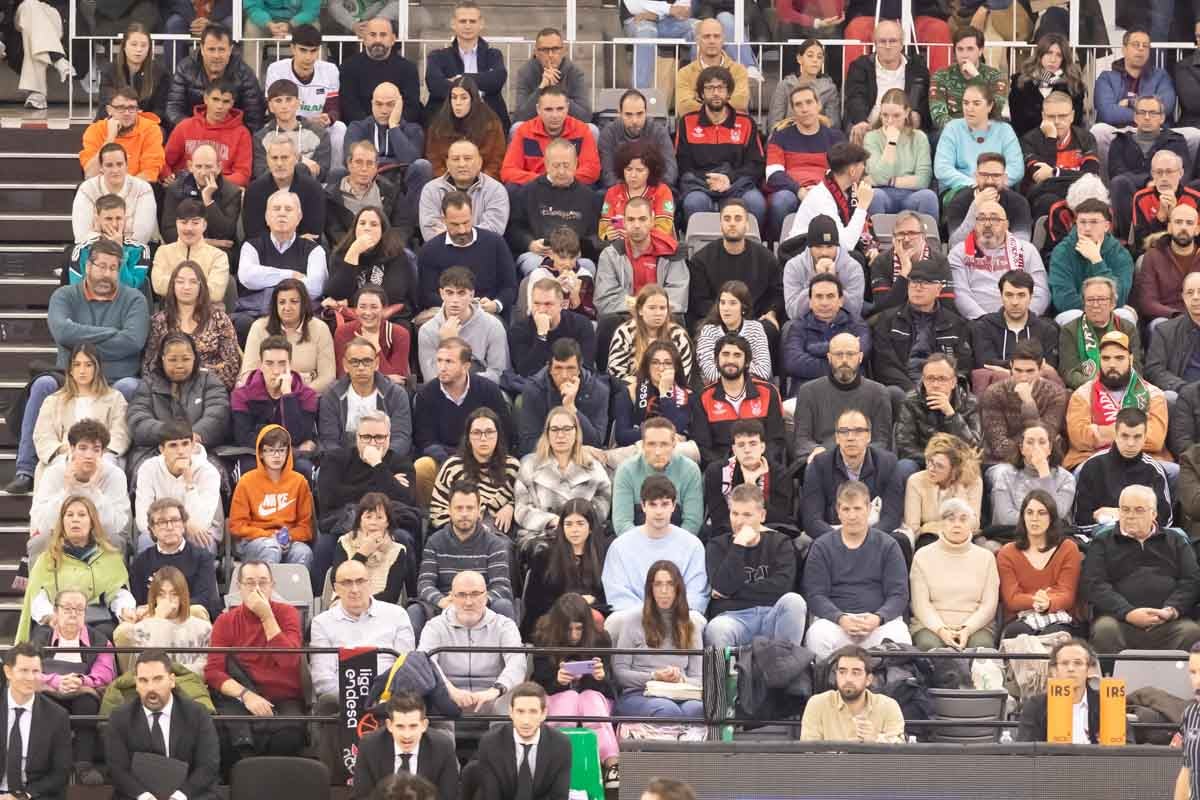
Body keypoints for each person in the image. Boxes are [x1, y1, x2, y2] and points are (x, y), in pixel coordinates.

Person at [6, 241, 148, 495]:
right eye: (101, 266)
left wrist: (80, 341)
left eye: (113, 268)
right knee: (42, 384)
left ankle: (126, 470)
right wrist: (112, 334)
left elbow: (133, 341)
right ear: (87, 266)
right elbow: (62, 332)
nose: (106, 273)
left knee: (131, 387)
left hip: (115, 379)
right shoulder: (65, 296)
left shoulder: (134, 299)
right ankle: (25, 470)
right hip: (70, 376)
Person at [310, 558, 413, 779]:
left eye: (360, 581)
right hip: (342, 696)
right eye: (346, 583)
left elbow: (405, 666)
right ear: (336, 588)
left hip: (389, 694)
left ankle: (400, 779)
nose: (354, 589)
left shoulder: (396, 615)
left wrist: (382, 697)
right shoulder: (322, 622)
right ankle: (335, 782)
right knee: (326, 703)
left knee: (412, 701)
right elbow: (321, 678)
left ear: (370, 583)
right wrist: (354, 699)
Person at [205, 560, 306, 764]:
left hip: (283, 698)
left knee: (290, 735)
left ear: (272, 586)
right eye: (250, 583)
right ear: (239, 587)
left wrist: (266, 616)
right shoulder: (225, 621)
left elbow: (289, 661)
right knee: (222, 734)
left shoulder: (288, 614)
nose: (257, 589)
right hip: (240, 696)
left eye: (263, 582)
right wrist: (247, 696)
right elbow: (214, 672)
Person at [1083, 484, 1200, 653]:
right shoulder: (1103, 542)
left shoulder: (1175, 540)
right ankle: (1113, 680)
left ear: (1154, 514)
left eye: (1138, 510)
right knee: (1104, 630)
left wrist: (1171, 610)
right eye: (1125, 509)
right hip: (1120, 623)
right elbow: (1094, 584)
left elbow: (1191, 580)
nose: (1130, 516)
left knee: (1191, 632)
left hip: (1169, 624)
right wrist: (1128, 613)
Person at [104, 649, 220, 800]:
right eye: (143, 680)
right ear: (136, 684)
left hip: (189, 794)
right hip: (137, 796)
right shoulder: (120, 717)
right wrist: (145, 797)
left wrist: (179, 796)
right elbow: (117, 769)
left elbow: (208, 765)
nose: (150, 688)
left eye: (158, 679)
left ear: (172, 680)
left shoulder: (197, 714)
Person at [18, 495, 134, 643]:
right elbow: (37, 597)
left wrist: (125, 610)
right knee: (42, 637)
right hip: (57, 617)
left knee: (104, 634)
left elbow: (119, 593)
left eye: (82, 515)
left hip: (96, 619)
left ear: (92, 522)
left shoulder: (109, 556)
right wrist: (49, 617)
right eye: (69, 515)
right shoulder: (48, 558)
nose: (75, 519)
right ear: (63, 522)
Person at [703, 484, 806, 649]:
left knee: (794, 601)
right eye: (734, 513)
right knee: (716, 629)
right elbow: (721, 585)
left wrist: (733, 592)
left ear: (762, 515)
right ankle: (725, 675)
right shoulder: (717, 545)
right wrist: (739, 545)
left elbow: (782, 587)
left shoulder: (780, 543)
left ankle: (781, 671)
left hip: (771, 615)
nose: (739, 521)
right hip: (733, 618)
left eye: (747, 515)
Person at [28, 587, 115, 783]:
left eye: (79, 609)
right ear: (56, 612)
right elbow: (30, 671)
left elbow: (105, 673)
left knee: (86, 701)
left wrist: (81, 680)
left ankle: (84, 766)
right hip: (48, 691)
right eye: (67, 608)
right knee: (41, 703)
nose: (73, 614)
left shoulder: (100, 640)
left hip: (81, 691)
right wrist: (57, 681)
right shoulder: (40, 638)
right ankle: (44, 765)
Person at [530, 594, 618, 785]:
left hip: (594, 698)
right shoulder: (544, 637)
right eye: (568, 629)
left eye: (579, 629)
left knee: (590, 698)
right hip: (557, 698)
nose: (574, 635)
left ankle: (612, 763)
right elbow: (538, 681)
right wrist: (557, 681)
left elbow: (611, 688)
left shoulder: (600, 638)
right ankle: (554, 759)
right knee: (569, 697)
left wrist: (600, 678)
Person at [417, 570, 526, 719]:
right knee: (432, 702)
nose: (468, 602)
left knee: (513, 701)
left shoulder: (505, 625)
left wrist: (494, 691)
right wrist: (450, 691)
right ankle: (442, 741)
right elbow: (425, 662)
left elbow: (517, 663)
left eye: (475, 594)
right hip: (447, 695)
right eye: (461, 595)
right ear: (451, 597)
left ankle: (500, 741)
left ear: (486, 595)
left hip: (494, 695)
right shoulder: (434, 626)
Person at [127, 331, 230, 477]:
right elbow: (138, 419)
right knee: (142, 473)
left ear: (195, 358)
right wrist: (170, 437)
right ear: (162, 359)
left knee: (215, 473)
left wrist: (192, 438)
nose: (180, 365)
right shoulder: (148, 384)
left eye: (186, 359)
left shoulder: (209, 381)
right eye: (173, 360)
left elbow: (218, 415)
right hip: (155, 450)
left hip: (200, 447)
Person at [601, 475, 709, 614]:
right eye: (653, 504)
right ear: (643, 506)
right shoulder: (620, 546)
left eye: (664, 504)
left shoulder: (692, 545)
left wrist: (670, 614)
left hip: (680, 617)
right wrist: (649, 615)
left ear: (673, 506)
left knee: (696, 621)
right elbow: (617, 594)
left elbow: (696, 593)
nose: (659, 512)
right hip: (635, 618)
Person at [1063, 330, 1169, 471]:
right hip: (1095, 460)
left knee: (1175, 473)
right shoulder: (1082, 395)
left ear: (1131, 359)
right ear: (1099, 359)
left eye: (1119, 358)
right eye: (1106, 358)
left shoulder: (1153, 395)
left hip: (1144, 460)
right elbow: (1080, 438)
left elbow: (1155, 440)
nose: (1112, 364)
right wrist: (1134, 434)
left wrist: (1099, 431)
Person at [415, 480, 515, 628]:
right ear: (449, 510)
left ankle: (508, 651)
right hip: (445, 604)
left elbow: (502, 587)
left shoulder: (495, 544)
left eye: (470, 508)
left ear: (479, 511)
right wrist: (442, 601)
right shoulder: (434, 542)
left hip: (483, 606)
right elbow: (424, 584)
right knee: (415, 611)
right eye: (459, 508)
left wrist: (474, 602)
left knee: (504, 606)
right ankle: (416, 652)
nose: (464, 514)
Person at [612, 561, 705, 720]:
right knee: (666, 710)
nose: (664, 591)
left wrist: (681, 679)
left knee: (697, 709)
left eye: (670, 584)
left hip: (680, 692)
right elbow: (619, 674)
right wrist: (654, 676)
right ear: (650, 589)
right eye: (658, 584)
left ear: (678, 588)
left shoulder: (690, 624)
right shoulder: (632, 620)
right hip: (639, 693)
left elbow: (698, 678)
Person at [24, 343, 127, 486]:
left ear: (97, 369)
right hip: (65, 454)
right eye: (77, 365)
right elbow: (43, 435)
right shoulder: (54, 400)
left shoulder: (115, 398)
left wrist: (98, 451)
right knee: (57, 469)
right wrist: (65, 450)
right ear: (70, 370)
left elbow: (121, 433)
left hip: (102, 454)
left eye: (88, 365)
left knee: (109, 468)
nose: (82, 370)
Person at [675, 66, 765, 226]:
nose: (715, 93)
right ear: (701, 94)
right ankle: (699, 250)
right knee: (694, 203)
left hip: (737, 184)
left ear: (729, 93)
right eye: (709, 88)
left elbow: (756, 165)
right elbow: (682, 164)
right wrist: (709, 180)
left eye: (721, 88)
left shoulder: (746, 123)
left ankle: (751, 249)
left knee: (756, 203)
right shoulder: (687, 122)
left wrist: (729, 178)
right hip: (699, 184)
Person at [27, 420, 131, 557]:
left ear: (103, 452)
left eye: (96, 449)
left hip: (100, 534)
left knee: (116, 541)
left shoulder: (115, 475)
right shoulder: (53, 473)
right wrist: (67, 490)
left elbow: (116, 526)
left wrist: (94, 490)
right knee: (38, 542)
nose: (89, 455)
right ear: (71, 449)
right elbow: (42, 523)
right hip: (61, 533)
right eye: (83, 448)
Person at [870, 258, 972, 394]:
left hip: (943, 388)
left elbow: (963, 366)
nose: (918, 287)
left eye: (925, 282)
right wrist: (915, 391)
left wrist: (940, 386)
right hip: (903, 389)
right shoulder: (888, 320)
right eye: (913, 281)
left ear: (939, 289)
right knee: (894, 393)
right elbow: (885, 366)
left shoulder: (955, 323)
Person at [513, 407, 611, 549]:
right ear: (547, 433)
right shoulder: (529, 464)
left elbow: (603, 501)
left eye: (566, 429)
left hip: (584, 533)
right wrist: (552, 521)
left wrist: (577, 523)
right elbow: (522, 509)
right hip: (542, 534)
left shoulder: (593, 466)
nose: (560, 435)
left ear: (576, 432)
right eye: (555, 429)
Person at [909, 498, 1000, 650]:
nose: (957, 524)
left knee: (981, 648)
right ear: (941, 524)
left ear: (972, 524)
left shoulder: (986, 557)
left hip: (976, 626)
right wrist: (942, 630)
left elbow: (989, 604)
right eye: (950, 519)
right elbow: (921, 604)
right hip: (931, 626)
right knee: (929, 647)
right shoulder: (923, 556)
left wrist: (967, 629)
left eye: (963, 519)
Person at [791, 333, 893, 463]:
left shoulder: (878, 392)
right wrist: (818, 451)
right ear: (829, 357)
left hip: (865, 463)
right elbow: (801, 441)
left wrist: (854, 455)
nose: (844, 360)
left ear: (860, 357)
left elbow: (882, 443)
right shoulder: (808, 391)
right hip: (822, 463)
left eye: (850, 354)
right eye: (839, 354)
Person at [688, 202, 784, 337]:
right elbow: (699, 301)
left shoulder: (766, 258)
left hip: (754, 321)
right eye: (727, 219)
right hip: (716, 319)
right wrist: (730, 318)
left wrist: (772, 312)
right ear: (720, 224)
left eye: (738, 219)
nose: (732, 223)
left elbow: (777, 293)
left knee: (770, 329)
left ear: (747, 224)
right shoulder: (701, 260)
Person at [764, 86, 846, 241]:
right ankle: (778, 248)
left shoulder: (836, 138)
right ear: (793, 110)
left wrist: (820, 190)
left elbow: (844, 173)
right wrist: (799, 190)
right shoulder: (780, 137)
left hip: (825, 190)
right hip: (792, 191)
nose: (804, 109)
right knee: (781, 201)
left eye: (809, 102)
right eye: (798, 105)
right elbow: (773, 175)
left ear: (819, 105)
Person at [509, 141, 602, 277]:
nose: (561, 171)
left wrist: (580, 250)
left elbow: (595, 234)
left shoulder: (589, 197)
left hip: (574, 258)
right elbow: (514, 229)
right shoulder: (528, 192)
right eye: (556, 166)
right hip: (539, 255)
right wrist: (530, 243)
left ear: (576, 164)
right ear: (546, 164)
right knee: (534, 266)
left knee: (588, 267)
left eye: (566, 165)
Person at [996, 491, 1082, 638]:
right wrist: (1040, 600)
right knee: (1017, 634)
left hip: (1059, 616)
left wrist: (1048, 604)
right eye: (1029, 512)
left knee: (1054, 634)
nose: (1034, 518)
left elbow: (1067, 595)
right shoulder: (1007, 553)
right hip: (1019, 618)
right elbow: (1011, 599)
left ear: (1051, 518)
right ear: (1023, 517)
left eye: (1041, 513)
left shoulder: (1068, 548)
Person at [691, 333, 786, 466]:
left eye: (737, 355)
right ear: (716, 360)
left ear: (747, 362)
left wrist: (755, 462)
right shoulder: (703, 397)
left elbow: (776, 440)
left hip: (762, 464)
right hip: (721, 468)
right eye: (725, 354)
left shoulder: (768, 392)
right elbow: (704, 447)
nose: (730, 360)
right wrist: (730, 466)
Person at [1074, 407, 1173, 533]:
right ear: (1115, 435)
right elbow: (1081, 523)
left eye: (1137, 437)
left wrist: (1119, 514)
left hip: (1144, 541)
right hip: (1105, 539)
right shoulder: (1092, 466)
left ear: (1144, 438)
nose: (1130, 443)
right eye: (1125, 436)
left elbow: (1166, 521)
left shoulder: (1154, 470)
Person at [417, 193, 517, 317]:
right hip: (446, 314)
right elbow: (427, 294)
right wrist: (460, 307)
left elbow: (510, 287)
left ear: (472, 216)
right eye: (455, 224)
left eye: (466, 222)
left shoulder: (495, 243)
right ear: (443, 220)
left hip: (488, 314)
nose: (462, 230)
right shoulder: (430, 250)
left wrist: (496, 304)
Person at [228, 425, 315, 567]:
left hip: (289, 540)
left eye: (281, 450)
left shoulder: (299, 482)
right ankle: (266, 588)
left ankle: (293, 590)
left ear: (288, 452)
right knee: (271, 548)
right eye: (271, 450)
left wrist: (288, 537)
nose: (276, 455)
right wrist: (269, 536)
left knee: (303, 553)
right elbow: (236, 526)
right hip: (254, 542)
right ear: (261, 453)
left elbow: (306, 528)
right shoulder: (246, 481)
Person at [133, 420, 224, 557]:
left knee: (202, 543)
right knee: (146, 541)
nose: (180, 451)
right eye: (173, 446)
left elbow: (201, 523)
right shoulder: (148, 469)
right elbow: (142, 519)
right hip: (161, 530)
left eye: (185, 444)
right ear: (162, 450)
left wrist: (189, 483)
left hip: (200, 532)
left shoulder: (209, 472)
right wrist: (172, 528)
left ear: (193, 445)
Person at [143, 261, 239, 388]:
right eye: (180, 281)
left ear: (201, 286)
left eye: (193, 282)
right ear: (173, 285)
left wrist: (194, 375)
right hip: (168, 389)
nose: (186, 287)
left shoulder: (219, 319)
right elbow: (149, 365)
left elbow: (231, 365)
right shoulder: (159, 321)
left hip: (209, 389)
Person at [949, 201, 1048, 321]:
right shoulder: (959, 253)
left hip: (1023, 320)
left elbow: (1041, 292)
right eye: (981, 219)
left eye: (994, 219)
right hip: (978, 323)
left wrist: (1023, 318)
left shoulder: (1027, 250)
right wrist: (986, 321)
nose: (987, 224)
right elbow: (960, 294)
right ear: (974, 224)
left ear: (1006, 225)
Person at [1108, 97, 1191, 240]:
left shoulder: (1176, 140)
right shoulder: (1120, 141)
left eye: (1153, 113)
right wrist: (1148, 181)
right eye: (1142, 112)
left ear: (1162, 118)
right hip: (1132, 194)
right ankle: (1124, 241)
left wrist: (1160, 183)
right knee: (1118, 183)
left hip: (1169, 193)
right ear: (1135, 117)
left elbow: (1185, 173)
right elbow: (1116, 171)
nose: (1147, 117)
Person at [129, 494, 222, 621]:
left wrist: (167, 608)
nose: (169, 527)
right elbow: (139, 601)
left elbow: (205, 599)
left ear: (184, 525)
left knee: (197, 611)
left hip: (190, 619)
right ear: (152, 529)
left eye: (174, 520)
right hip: (154, 621)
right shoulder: (141, 561)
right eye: (162, 522)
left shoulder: (202, 557)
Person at [1091, 27, 1176, 165]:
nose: (1141, 49)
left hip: (1155, 132)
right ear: (1124, 49)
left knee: (1194, 134)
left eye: (1145, 46)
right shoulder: (1106, 77)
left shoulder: (1161, 76)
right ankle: (1106, 184)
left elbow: (1166, 106)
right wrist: (1149, 112)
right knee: (1098, 130)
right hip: (1118, 132)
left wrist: (1129, 103)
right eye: (1136, 45)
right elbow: (1107, 113)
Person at [522, 501, 608, 637]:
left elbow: (607, 600)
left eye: (580, 523)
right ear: (561, 527)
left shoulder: (604, 556)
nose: (574, 530)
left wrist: (589, 605)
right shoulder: (545, 556)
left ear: (590, 527)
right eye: (568, 524)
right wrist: (574, 604)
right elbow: (534, 603)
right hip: (553, 621)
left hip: (593, 621)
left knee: (595, 619)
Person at [593, 196, 688, 319]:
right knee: (607, 321)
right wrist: (640, 307)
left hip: (661, 317)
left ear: (652, 220)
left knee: (677, 319)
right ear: (624, 222)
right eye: (631, 220)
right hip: (625, 315)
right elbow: (604, 299)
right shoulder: (610, 255)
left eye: (642, 219)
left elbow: (677, 298)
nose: (637, 225)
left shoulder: (671, 252)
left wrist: (652, 309)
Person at [232, 332, 320, 464]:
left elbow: (297, 437)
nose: (276, 371)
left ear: (290, 365)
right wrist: (285, 445)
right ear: (261, 365)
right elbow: (243, 438)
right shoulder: (241, 395)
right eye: (269, 363)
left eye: (282, 363)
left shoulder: (307, 395)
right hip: (256, 454)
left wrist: (287, 396)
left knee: (303, 466)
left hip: (292, 459)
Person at [116, 561, 213, 678]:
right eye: (161, 594)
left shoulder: (203, 628)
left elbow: (206, 669)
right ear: (154, 597)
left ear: (183, 596)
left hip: (191, 687)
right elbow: (146, 668)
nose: (168, 600)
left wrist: (170, 673)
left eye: (174, 594)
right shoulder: (141, 630)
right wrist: (158, 621)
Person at [351, 693, 458, 800]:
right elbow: (362, 796)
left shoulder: (443, 747)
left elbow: (448, 797)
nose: (407, 735)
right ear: (389, 725)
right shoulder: (369, 746)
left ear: (424, 725)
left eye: (413, 726)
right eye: (400, 726)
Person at [427, 408, 519, 532]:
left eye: (489, 432)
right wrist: (469, 525)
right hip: (457, 532)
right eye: (476, 433)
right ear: (468, 437)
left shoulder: (512, 467)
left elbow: (525, 502)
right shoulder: (453, 466)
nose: (483, 438)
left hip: (497, 534)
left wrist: (511, 507)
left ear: (498, 435)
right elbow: (437, 512)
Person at [476, 682, 572, 800]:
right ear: (511, 712)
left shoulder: (561, 744)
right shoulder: (491, 743)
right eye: (520, 712)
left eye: (533, 712)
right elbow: (491, 796)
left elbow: (559, 796)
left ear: (543, 714)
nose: (526, 721)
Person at [0, 643, 72, 800]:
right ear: (8, 672)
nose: (30, 678)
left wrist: (24, 795)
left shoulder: (57, 716)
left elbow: (61, 771)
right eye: (24, 670)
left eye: (36, 671)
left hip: (33, 794)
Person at [317, 336, 412, 454]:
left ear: (376, 363)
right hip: (344, 462)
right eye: (354, 362)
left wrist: (379, 461)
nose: (361, 368)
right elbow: (329, 441)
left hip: (385, 461)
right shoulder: (331, 395)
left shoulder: (396, 394)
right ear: (345, 365)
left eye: (367, 361)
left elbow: (401, 438)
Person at [262, 25, 344, 160]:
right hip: (286, 125)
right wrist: (304, 122)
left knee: (339, 128)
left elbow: (333, 107)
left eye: (313, 51)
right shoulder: (276, 69)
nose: (308, 57)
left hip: (318, 126)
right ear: (292, 48)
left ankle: (333, 177)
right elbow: (273, 110)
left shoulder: (330, 70)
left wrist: (329, 118)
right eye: (303, 50)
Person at [978, 340, 1068, 464]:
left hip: (1043, 460)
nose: (1023, 377)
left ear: (1041, 368)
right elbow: (998, 446)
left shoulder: (1055, 394)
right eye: (1018, 370)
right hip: (1001, 463)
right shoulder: (994, 393)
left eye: (1030, 371)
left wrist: (1028, 403)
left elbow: (1045, 439)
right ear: (1011, 365)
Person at [969, 270, 1061, 391]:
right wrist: (1029, 368)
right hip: (997, 395)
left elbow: (1048, 368)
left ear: (1031, 296)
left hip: (1038, 395)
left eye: (1021, 295)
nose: (1015, 302)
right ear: (1001, 295)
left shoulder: (1047, 330)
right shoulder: (984, 326)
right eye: (1009, 295)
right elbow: (985, 363)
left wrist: (1006, 370)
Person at [517, 338, 610, 457]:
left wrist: (571, 408)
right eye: (558, 368)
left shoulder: (598, 390)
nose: (564, 375)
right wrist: (567, 451)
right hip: (544, 456)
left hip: (584, 458)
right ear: (549, 368)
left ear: (579, 368)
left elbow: (596, 442)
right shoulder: (534, 389)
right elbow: (528, 444)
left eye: (570, 368)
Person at [240, 279, 336, 394]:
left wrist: (299, 396)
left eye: (294, 301)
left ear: (304, 303)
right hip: (266, 396)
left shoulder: (320, 328)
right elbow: (248, 374)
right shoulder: (259, 327)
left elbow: (327, 377)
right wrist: (274, 396)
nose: (287, 307)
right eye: (282, 302)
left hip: (307, 396)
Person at [612, 417, 704, 536]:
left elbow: (692, 522)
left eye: (664, 444)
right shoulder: (626, 470)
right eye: (651, 444)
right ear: (642, 445)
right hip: (636, 540)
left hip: (678, 540)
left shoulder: (690, 470)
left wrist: (669, 547)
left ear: (674, 444)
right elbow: (622, 522)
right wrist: (645, 547)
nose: (658, 452)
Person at [933, 84, 1023, 204]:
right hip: (960, 188)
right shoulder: (952, 128)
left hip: (997, 188)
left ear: (989, 106)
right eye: (966, 103)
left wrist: (993, 184)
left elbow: (1016, 168)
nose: (969, 108)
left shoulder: (1004, 130)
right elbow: (942, 169)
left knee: (1016, 202)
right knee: (969, 199)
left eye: (976, 103)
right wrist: (976, 184)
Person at [325, 218, 419, 333]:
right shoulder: (341, 254)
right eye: (362, 223)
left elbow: (394, 295)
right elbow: (337, 294)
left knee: (402, 329)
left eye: (374, 224)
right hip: (350, 316)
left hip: (391, 316)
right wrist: (353, 253)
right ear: (355, 229)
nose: (367, 228)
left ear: (383, 230)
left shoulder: (398, 255)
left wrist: (350, 302)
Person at [424, 2, 509, 127]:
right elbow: (434, 84)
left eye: (472, 21)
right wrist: (481, 80)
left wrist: (460, 78)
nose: (468, 26)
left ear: (481, 24)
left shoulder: (493, 55)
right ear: (453, 23)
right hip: (447, 120)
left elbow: (497, 79)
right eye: (463, 21)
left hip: (487, 120)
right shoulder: (438, 56)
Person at [844, 20, 932, 141]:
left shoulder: (918, 68)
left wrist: (918, 115)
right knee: (856, 132)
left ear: (902, 44)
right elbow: (855, 97)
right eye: (882, 41)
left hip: (905, 128)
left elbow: (924, 102)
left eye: (893, 41)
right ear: (874, 44)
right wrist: (861, 120)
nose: (888, 46)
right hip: (869, 127)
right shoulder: (860, 66)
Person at [164, 24, 264, 130]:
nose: (216, 56)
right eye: (211, 49)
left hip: (230, 134)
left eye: (221, 49)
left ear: (230, 50)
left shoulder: (244, 73)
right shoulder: (185, 68)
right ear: (202, 49)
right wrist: (194, 129)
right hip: (193, 132)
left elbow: (254, 118)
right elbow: (173, 109)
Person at [702, 419, 791, 537]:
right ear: (734, 449)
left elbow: (780, 517)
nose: (747, 450)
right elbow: (719, 518)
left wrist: (751, 486)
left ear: (762, 447)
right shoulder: (717, 472)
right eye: (741, 445)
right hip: (728, 534)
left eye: (753, 443)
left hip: (768, 535)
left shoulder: (779, 473)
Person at [782, 273, 871, 391]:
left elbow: (863, 351)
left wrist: (813, 349)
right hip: (807, 392)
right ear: (810, 301)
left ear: (841, 300)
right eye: (819, 296)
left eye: (830, 296)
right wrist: (842, 361)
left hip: (849, 391)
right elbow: (793, 363)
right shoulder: (798, 326)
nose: (824, 303)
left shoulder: (856, 324)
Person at [1019, 91, 1100, 220]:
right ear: (1043, 116)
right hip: (1043, 196)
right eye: (1051, 117)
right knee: (1049, 200)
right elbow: (1042, 179)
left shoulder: (1086, 138)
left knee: (1091, 196)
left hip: (1079, 192)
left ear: (1072, 116)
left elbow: (1091, 174)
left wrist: (1055, 172)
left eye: (1062, 116)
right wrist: (1051, 139)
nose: (1057, 121)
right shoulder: (1029, 140)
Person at [799, 645, 905, 742]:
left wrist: (876, 739)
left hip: (873, 763)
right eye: (842, 672)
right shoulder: (817, 704)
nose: (848, 679)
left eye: (856, 672)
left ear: (869, 679)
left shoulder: (888, 706)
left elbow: (900, 752)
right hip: (833, 763)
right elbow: (810, 753)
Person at [895, 353, 982, 467]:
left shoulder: (970, 402)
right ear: (924, 380)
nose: (935, 385)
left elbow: (973, 448)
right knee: (904, 466)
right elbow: (904, 446)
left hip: (958, 464)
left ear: (953, 382)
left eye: (942, 379)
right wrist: (934, 461)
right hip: (923, 462)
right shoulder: (911, 401)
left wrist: (951, 415)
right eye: (930, 378)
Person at [861, 88, 938, 219]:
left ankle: (928, 239)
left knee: (928, 196)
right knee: (875, 195)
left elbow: (923, 179)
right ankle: (874, 239)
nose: (890, 121)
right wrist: (891, 142)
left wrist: (891, 180)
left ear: (907, 112)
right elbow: (879, 178)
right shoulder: (871, 137)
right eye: (885, 115)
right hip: (883, 193)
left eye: (896, 115)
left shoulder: (919, 137)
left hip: (912, 194)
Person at [501, 88, 600, 189]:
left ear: (567, 108)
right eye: (548, 109)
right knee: (511, 188)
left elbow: (592, 170)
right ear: (538, 110)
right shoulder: (524, 131)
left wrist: (562, 179)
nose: (555, 115)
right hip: (535, 189)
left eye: (560, 109)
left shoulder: (582, 130)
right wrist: (545, 180)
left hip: (571, 187)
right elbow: (508, 171)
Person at [1057, 276, 1142, 391]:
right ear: (1084, 303)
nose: (1095, 305)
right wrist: (1099, 386)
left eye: (1101, 299)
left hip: (1123, 388)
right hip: (1086, 390)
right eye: (1090, 300)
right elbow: (1069, 372)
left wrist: (1115, 385)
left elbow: (1136, 368)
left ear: (1112, 303)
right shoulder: (1070, 330)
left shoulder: (1127, 328)